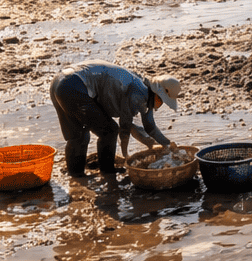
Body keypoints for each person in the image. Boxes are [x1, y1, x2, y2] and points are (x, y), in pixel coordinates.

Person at [49, 60, 181, 175]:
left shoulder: (144, 88)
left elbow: (150, 126)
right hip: (74, 85)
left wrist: (167, 144)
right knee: (110, 131)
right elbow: (125, 127)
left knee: (78, 135)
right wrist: (126, 156)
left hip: (61, 82)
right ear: (157, 93)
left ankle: (76, 178)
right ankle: (107, 173)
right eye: (161, 100)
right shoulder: (139, 93)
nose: (160, 104)